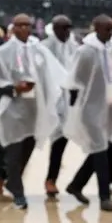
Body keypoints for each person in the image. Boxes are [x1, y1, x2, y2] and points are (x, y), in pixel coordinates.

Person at [0, 13, 67, 209]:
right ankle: (19, 193)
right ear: (13, 27)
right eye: (20, 25)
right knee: (14, 149)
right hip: (12, 108)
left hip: (34, 108)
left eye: (28, 25)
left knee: (28, 146)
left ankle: (13, 181)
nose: (25, 29)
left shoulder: (39, 50)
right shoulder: (2, 52)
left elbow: (53, 73)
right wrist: (13, 87)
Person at [62, 16, 112, 212]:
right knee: (100, 151)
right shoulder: (86, 52)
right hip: (89, 109)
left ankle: (76, 185)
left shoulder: (109, 50)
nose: (110, 33)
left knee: (102, 149)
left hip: (107, 107)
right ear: (97, 28)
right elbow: (75, 79)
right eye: (107, 29)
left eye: (111, 30)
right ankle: (104, 196)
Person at [39, 15, 79, 198]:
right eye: (63, 29)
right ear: (54, 29)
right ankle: (15, 179)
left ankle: (51, 179)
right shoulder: (44, 48)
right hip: (47, 100)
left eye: (68, 29)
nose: (66, 32)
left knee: (60, 141)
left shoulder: (74, 47)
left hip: (68, 102)